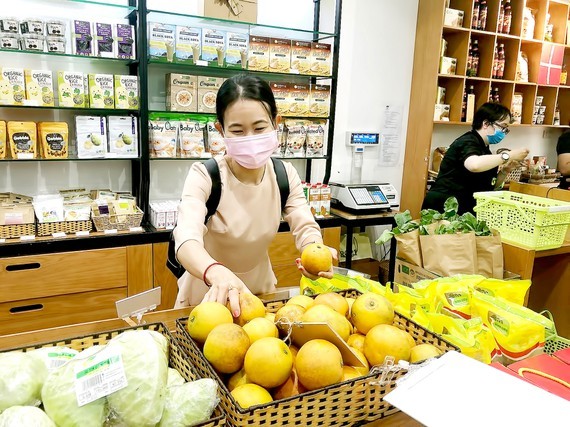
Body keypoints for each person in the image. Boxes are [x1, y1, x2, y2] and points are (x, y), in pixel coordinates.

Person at [173, 74, 337, 314]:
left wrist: (315, 251)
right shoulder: (206, 175)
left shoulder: (284, 174)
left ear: (275, 122)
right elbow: (186, 238)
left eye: (259, 128)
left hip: (260, 296)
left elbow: (305, 226)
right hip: (207, 300)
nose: (250, 138)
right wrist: (214, 271)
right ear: (221, 130)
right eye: (237, 131)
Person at [422, 102, 529, 214]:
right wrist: (509, 155)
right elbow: (474, 165)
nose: (504, 132)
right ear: (486, 124)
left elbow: (489, 186)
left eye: (506, 129)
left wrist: (505, 170)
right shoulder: (468, 141)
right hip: (444, 206)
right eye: (503, 127)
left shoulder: (485, 149)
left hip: (464, 207)